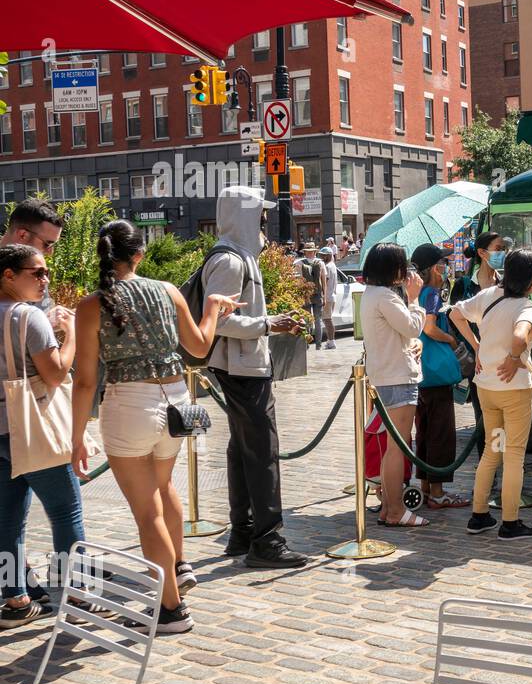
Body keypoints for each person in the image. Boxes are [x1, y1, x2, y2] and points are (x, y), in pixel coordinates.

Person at [71, 221, 242, 633]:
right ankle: (179, 567)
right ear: (138, 255)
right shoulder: (166, 290)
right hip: (175, 404)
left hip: (129, 407)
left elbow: (86, 380)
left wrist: (76, 435)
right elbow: (200, 348)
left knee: (147, 512)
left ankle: (171, 609)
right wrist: (214, 308)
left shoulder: (91, 305)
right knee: (165, 490)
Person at [203, 186, 309, 569]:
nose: (265, 221)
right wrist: (269, 324)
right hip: (241, 367)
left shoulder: (237, 256)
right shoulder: (231, 260)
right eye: (260, 215)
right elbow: (219, 318)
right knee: (262, 452)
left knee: (244, 449)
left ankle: (245, 531)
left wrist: (270, 325)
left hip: (242, 365)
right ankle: (265, 540)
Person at [0, 245, 83, 630]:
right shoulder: (29, 317)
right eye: (37, 272)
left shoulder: (26, 316)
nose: (45, 279)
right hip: (32, 428)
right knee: (66, 511)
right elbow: (55, 373)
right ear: (8, 275)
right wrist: (72, 335)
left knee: (7, 519)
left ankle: (15, 598)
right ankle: (78, 592)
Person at [450, 248, 532, 539]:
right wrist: (515, 357)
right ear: (531, 275)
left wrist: (477, 345)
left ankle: (479, 516)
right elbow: (520, 337)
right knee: (514, 454)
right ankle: (510, 522)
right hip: (514, 389)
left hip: (487, 387)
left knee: (493, 451)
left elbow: (455, 313)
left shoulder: (489, 295)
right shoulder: (526, 306)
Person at [360, 243, 428, 527]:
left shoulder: (372, 294)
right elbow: (412, 327)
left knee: (393, 446)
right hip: (397, 378)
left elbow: (401, 335)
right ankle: (396, 510)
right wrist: (414, 300)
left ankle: (390, 508)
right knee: (397, 446)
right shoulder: (387, 297)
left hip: (385, 376)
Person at [411, 243, 469, 510]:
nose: (446, 268)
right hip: (437, 374)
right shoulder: (432, 295)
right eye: (443, 264)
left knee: (424, 431)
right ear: (435, 267)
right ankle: (437, 492)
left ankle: (425, 486)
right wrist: (451, 339)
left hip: (420, 373)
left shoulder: (414, 293)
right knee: (441, 433)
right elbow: (431, 328)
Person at [450, 231, 506, 460]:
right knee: (482, 416)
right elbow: (454, 320)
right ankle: (488, 469)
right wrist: (475, 346)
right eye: (498, 248)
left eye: (503, 248)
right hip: (477, 364)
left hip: (502, 362)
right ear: (483, 253)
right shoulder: (464, 285)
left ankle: (501, 466)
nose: (502, 253)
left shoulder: (506, 284)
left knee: (503, 420)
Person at [298, 243, 326, 350]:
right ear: (315, 252)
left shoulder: (300, 263)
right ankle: (318, 344)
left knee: (307, 319)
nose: (309, 253)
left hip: (306, 295)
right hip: (318, 294)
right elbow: (324, 281)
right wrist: (324, 295)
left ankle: (307, 344)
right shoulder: (320, 263)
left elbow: (299, 282)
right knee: (318, 320)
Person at [318, 246, 339, 350]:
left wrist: (322, 295)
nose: (321, 257)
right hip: (332, 296)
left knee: (327, 320)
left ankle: (331, 341)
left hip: (328, 296)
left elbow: (324, 283)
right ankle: (330, 341)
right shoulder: (333, 265)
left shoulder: (328, 266)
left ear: (328, 255)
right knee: (328, 319)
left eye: (323, 255)